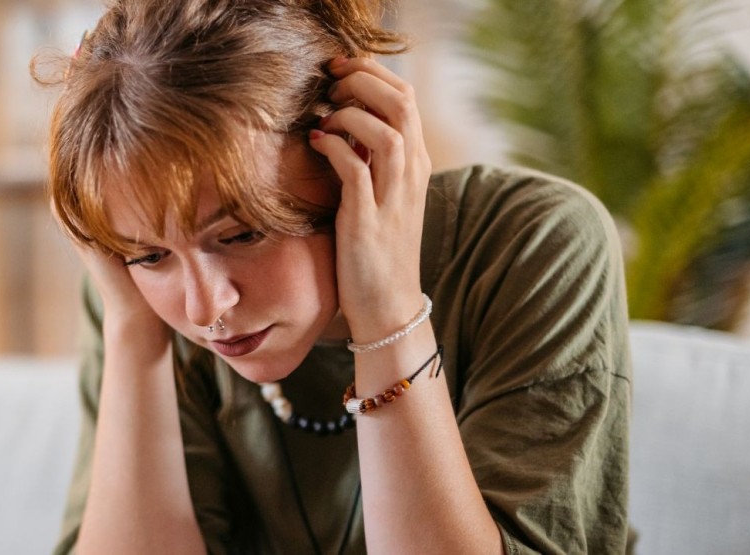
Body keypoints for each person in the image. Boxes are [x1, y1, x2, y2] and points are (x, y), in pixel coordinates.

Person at [40, 0, 632, 553]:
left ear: (354, 150)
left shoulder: (533, 245)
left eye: (242, 234)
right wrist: (132, 332)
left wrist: (387, 312)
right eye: (150, 255)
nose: (204, 308)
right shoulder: (137, 299)